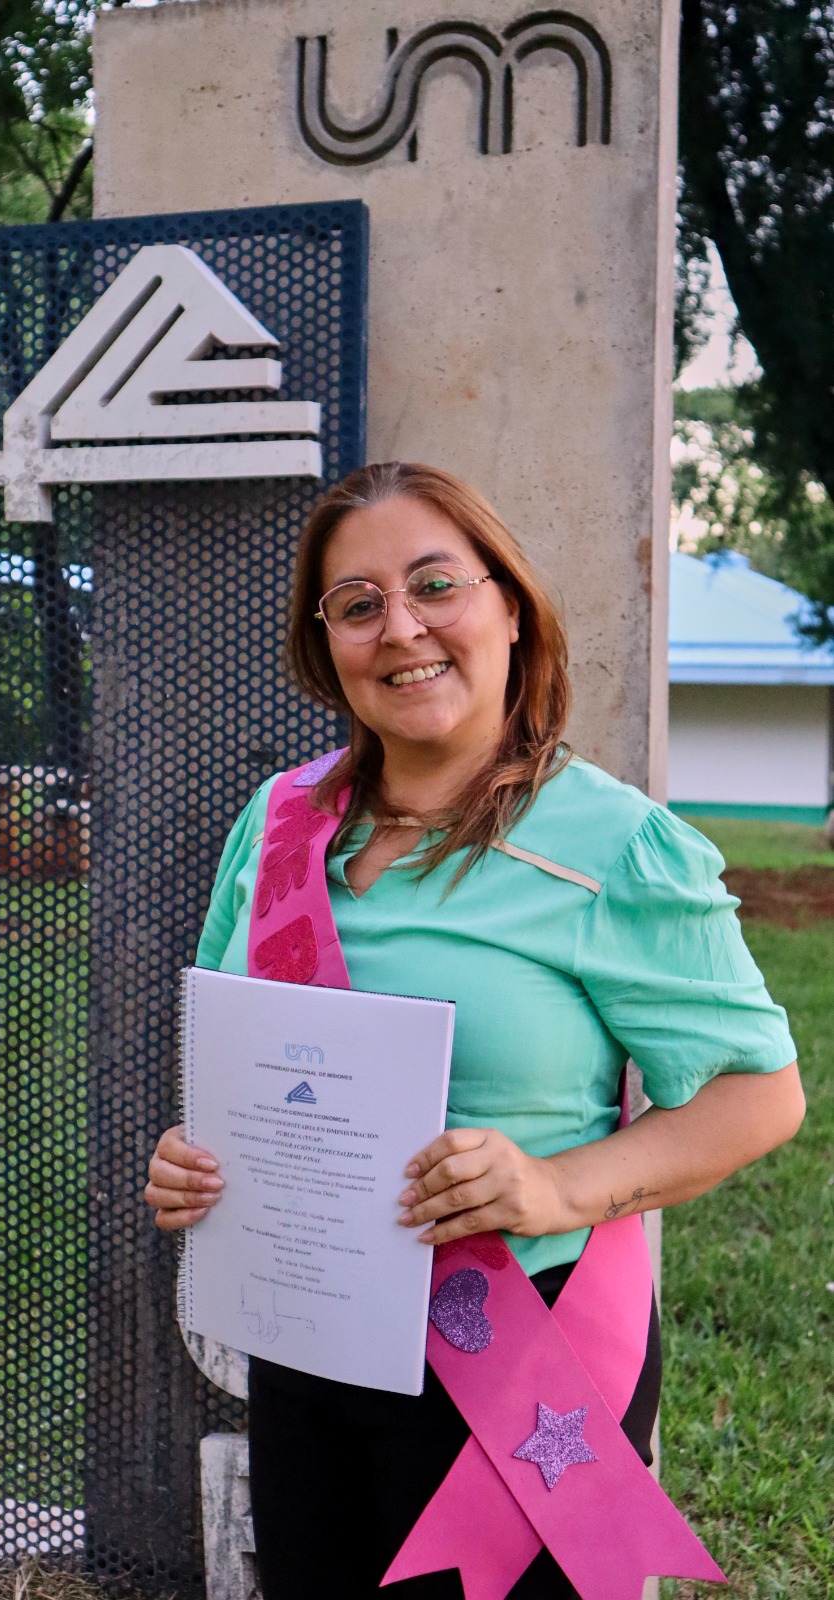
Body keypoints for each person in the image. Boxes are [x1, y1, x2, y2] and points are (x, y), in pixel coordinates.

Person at [144, 462, 805, 1600]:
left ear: (509, 606)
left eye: (435, 584)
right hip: (314, 1341)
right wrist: (193, 1162)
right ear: (328, 644)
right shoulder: (280, 821)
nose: (400, 628)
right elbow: (242, 1054)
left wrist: (557, 1186)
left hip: (519, 1354)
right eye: (356, 604)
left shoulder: (614, 842)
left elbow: (760, 1094)